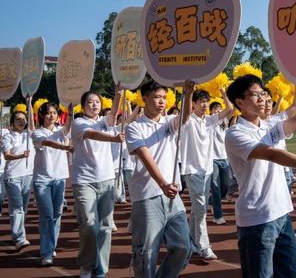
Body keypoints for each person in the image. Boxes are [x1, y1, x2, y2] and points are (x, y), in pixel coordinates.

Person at [224, 74, 296, 278]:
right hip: (257, 220)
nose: (262, 99)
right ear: (240, 102)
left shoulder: (267, 126)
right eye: (256, 95)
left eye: (263, 94)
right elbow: (272, 154)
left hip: (282, 214)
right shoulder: (235, 133)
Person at [125, 79, 195, 278]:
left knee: (183, 246)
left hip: (172, 196)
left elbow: (185, 116)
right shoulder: (134, 127)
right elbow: (145, 156)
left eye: (164, 97)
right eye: (157, 97)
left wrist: (188, 93)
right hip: (147, 196)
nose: (162, 101)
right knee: (146, 253)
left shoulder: (169, 122)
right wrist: (162, 183)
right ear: (144, 98)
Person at [71, 88, 124, 278]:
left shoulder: (105, 122)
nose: (94, 105)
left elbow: (113, 114)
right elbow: (92, 134)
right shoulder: (78, 123)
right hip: (84, 181)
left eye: (97, 102)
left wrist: (118, 94)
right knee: (89, 224)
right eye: (90, 102)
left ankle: (101, 269)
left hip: (106, 179)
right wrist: (113, 138)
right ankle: (86, 265)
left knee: (105, 227)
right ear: (83, 106)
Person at [181, 87, 233, 261]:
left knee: (198, 209)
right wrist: (189, 92)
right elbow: (185, 113)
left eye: (207, 102)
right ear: (194, 104)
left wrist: (223, 91)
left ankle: (190, 240)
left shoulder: (210, 120)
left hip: (207, 170)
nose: (205, 105)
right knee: (201, 207)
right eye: (201, 101)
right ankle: (204, 247)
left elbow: (230, 109)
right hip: (192, 170)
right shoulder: (187, 120)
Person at [31, 102, 73, 266]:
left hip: (59, 178)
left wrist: (70, 112)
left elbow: (67, 127)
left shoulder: (60, 130)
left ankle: (51, 245)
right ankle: (46, 252)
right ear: (42, 115)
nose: (51, 115)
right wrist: (64, 147)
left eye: (54, 112)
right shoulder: (37, 133)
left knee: (57, 215)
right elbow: (48, 143)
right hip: (42, 180)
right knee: (47, 216)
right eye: (48, 113)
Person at [2, 101, 35, 251]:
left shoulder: (29, 135)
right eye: (18, 119)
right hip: (12, 176)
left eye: (23, 119)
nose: (21, 121)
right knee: (17, 208)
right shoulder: (8, 137)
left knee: (23, 208)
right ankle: (20, 238)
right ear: (12, 123)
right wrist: (21, 155)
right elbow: (7, 155)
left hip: (28, 175)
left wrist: (29, 103)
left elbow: (32, 124)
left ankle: (17, 234)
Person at [209, 100, 232, 225]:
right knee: (215, 187)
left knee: (226, 186)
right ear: (211, 111)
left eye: (219, 108)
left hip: (224, 158)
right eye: (215, 109)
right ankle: (218, 216)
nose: (218, 110)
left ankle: (211, 201)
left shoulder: (225, 122)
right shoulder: (210, 121)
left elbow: (231, 108)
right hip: (212, 159)